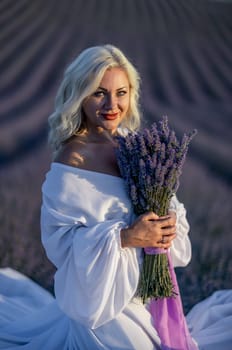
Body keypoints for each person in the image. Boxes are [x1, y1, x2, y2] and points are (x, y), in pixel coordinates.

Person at [0, 44, 231, 349]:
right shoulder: (72, 160)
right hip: (101, 307)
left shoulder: (131, 143)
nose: (112, 104)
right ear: (80, 95)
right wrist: (126, 237)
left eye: (121, 92)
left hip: (144, 296)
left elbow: (167, 199)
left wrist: (169, 221)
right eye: (99, 92)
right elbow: (60, 243)